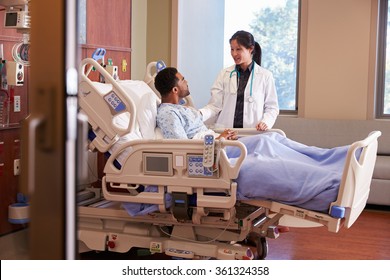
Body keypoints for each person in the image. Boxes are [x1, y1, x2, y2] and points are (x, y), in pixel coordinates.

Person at [155, 67, 351, 214]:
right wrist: (217, 140)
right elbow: (180, 148)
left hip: (220, 146)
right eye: (182, 79)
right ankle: (330, 183)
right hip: (213, 157)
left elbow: (198, 130)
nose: (186, 81)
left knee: (269, 139)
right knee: (267, 163)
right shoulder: (168, 114)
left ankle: (337, 159)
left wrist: (220, 137)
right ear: (174, 88)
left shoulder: (184, 109)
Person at [199, 30, 279, 131]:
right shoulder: (224, 74)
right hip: (226, 133)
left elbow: (272, 107)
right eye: (232, 49)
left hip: (252, 132)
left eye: (238, 49)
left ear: (250, 49)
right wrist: (199, 113)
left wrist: (265, 122)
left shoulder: (265, 76)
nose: (234, 53)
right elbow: (214, 106)